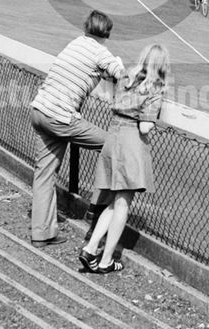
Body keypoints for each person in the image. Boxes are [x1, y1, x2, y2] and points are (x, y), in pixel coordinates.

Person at [29, 10, 127, 247]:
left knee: (43, 173)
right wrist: (118, 67)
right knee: (115, 145)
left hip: (39, 110)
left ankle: (41, 234)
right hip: (60, 118)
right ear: (107, 33)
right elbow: (123, 76)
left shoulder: (75, 43)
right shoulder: (100, 52)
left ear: (86, 27)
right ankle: (96, 207)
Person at [79, 44, 169, 275]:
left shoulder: (127, 76)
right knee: (122, 204)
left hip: (113, 136)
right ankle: (106, 259)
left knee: (112, 200)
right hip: (131, 143)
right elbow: (146, 126)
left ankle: (90, 249)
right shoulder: (155, 86)